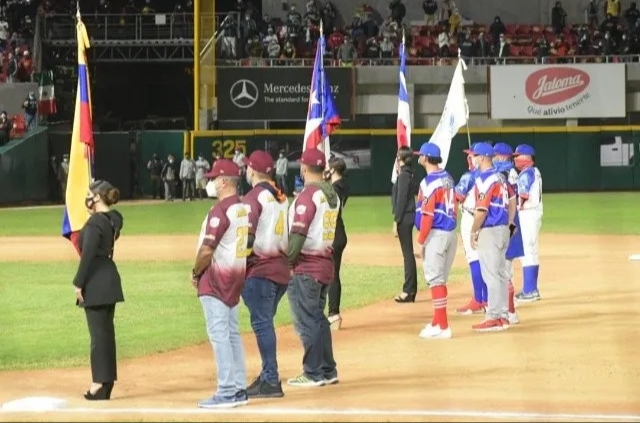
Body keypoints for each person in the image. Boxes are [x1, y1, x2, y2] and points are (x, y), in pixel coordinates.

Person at [191, 159, 250, 409]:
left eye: (214, 178)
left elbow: (207, 250)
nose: (211, 182)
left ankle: (226, 391)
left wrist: (196, 272)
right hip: (235, 277)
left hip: (216, 281)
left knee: (219, 335)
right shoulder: (242, 208)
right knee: (232, 334)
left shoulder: (221, 211)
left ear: (224, 181)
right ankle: (238, 387)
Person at [286, 148, 340, 387]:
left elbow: (298, 233)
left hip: (306, 267)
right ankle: (328, 369)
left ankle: (313, 372)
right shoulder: (331, 194)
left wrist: (287, 262)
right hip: (325, 263)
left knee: (307, 321)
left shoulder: (308, 195)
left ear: (304, 168)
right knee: (318, 318)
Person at [241, 151, 289, 399]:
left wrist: (238, 264)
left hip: (261, 270)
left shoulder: (253, 197)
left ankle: (270, 379)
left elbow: (247, 239)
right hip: (281, 269)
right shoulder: (281, 196)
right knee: (265, 322)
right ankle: (266, 375)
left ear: (251, 170)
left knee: (262, 324)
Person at [72, 180, 124, 401]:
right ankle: (106, 381)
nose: (86, 198)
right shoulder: (113, 219)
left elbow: (88, 255)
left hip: (96, 281)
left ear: (97, 197)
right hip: (110, 277)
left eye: (89, 194)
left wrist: (78, 282)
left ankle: (99, 384)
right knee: (106, 334)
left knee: (98, 336)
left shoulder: (95, 223)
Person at [468, 142, 516, 332]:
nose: (472, 158)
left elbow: (481, 211)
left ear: (481, 158)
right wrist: (510, 222)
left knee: (492, 275)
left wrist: (473, 231)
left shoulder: (484, 179)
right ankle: (503, 315)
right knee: (502, 274)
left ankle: (494, 316)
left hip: (491, 230)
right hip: (503, 229)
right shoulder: (500, 177)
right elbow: (512, 199)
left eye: (474, 155)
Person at [413, 143, 458, 339]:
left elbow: (427, 215)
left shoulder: (428, 183)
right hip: (450, 234)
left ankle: (444, 327)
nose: (419, 157)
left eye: (421, 154)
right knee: (440, 280)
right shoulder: (448, 177)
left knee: (435, 280)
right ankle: (436, 322)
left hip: (436, 235)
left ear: (426, 158)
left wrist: (420, 241)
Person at [454, 143, 488, 315]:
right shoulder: (492, 175)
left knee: (473, 258)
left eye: (472, 155)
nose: (469, 158)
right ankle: (487, 299)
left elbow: (457, 197)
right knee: (486, 259)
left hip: (471, 218)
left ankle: (478, 300)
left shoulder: (468, 177)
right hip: (487, 218)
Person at [493, 143, 523, 325]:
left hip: (509, 223)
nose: (493, 158)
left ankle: (510, 311)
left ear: (502, 157)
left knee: (504, 269)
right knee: (505, 268)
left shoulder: (506, 174)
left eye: (495, 155)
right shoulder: (509, 172)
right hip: (511, 222)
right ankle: (508, 308)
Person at [513, 144, 543, 303]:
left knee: (528, 252)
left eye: (518, 156)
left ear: (527, 157)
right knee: (532, 251)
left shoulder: (526, 174)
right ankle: (531, 289)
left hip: (528, 215)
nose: (515, 159)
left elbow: (522, 196)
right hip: (533, 213)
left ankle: (530, 290)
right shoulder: (534, 171)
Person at [391, 146, 418, 303]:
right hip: (410, 215)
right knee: (408, 253)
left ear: (400, 159)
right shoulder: (410, 174)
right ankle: (411, 289)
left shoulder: (403, 176)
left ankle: (408, 290)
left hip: (405, 217)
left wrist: (396, 221)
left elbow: (401, 200)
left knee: (407, 254)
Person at [325, 157, 349, 330]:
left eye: (328, 167)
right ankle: (333, 313)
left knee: (332, 275)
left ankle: (333, 313)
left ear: (333, 170)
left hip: (334, 234)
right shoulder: (342, 185)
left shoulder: (335, 188)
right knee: (333, 273)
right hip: (338, 232)